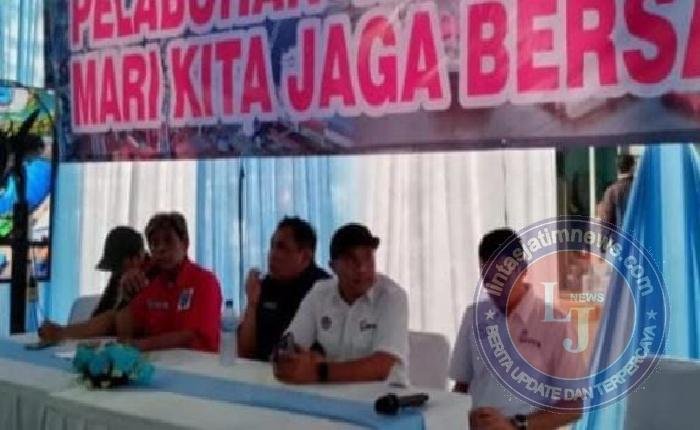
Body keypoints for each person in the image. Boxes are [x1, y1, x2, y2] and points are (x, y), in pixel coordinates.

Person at [450, 229, 582, 430]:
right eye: (488, 280)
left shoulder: (556, 324)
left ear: (522, 269)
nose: (495, 289)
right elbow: (461, 386)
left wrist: (516, 425)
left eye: (503, 279)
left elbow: (575, 405)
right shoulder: (474, 316)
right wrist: (458, 418)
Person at [274, 223, 408, 384]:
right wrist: (294, 359)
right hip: (331, 392)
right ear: (333, 267)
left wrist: (318, 371)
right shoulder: (320, 293)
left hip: (384, 395)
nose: (362, 268)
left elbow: (381, 366)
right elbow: (288, 346)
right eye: (351, 260)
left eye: (368, 257)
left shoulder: (392, 297)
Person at [115, 212, 222, 352]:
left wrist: (142, 345)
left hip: (197, 363)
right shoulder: (150, 284)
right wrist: (124, 299)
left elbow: (191, 337)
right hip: (156, 362)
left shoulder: (205, 281)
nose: (161, 249)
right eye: (154, 243)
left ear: (185, 244)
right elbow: (125, 337)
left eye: (168, 241)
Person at [237, 217, 330, 361]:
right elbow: (245, 352)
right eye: (272, 246)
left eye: (281, 247)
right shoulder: (267, 285)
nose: (272, 255)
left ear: (305, 257)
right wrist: (252, 304)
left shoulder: (324, 289)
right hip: (261, 370)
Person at [38, 226, 148, 343]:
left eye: (118, 266)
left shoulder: (150, 277)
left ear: (137, 258)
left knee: (114, 316)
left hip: (138, 337)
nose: (116, 272)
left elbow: (111, 320)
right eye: (115, 268)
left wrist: (64, 332)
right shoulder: (119, 275)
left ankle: (61, 333)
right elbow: (99, 315)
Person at [598, 154, 635, 227]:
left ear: (617, 169)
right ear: (632, 167)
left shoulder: (612, 191)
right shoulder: (640, 189)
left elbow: (606, 220)